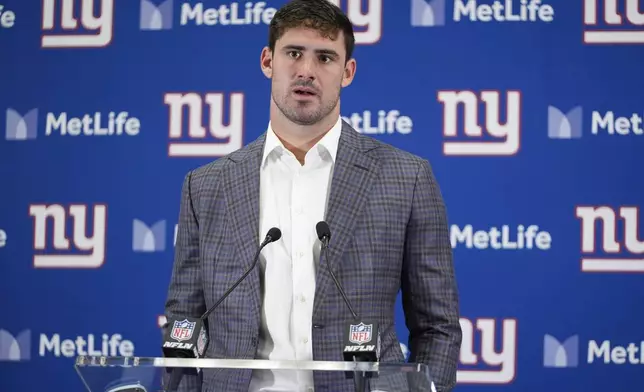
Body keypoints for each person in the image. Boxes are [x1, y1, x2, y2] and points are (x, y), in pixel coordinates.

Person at [163, 0, 462, 391]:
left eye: (325, 57)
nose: (306, 70)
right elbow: (184, 321)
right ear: (268, 61)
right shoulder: (205, 186)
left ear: (347, 72)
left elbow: (437, 326)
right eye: (293, 53)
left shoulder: (406, 178)